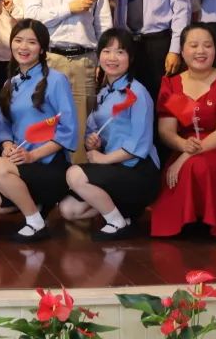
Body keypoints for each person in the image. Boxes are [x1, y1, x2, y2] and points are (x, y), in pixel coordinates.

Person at [19, 0, 111, 163]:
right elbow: (32, 17)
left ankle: (78, 181)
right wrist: (69, 8)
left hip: (84, 61)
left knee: (80, 129)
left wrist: (103, 61)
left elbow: (103, 23)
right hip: (49, 61)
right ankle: (48, 180)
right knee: (45, 123)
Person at [0, 19, 78, 242]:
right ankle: (36, 206)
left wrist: (32, 156)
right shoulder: (10, 84)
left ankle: (34, 222)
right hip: (19, 164)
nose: (23, 47)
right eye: (18, 40)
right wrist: (7, 146)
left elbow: (68, 130)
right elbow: (2, 127)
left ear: (42, 48)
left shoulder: (56, 80)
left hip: (49, 166)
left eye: (31, 42)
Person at [150, 23, 216, 240]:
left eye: (207, 45)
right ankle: (187, 221)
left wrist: (186, 155)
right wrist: (181, 145)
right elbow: (166, 131)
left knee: (197, 166)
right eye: (193, 45)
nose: (201, 51)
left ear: (215, 50)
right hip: (187, 145)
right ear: (182, 50)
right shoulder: (172, 85)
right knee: (190, 167)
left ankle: (208, 222)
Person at [58, 28, 160, 239]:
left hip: (138, 171)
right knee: (68, 210)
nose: (112, 58)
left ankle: (117, 222)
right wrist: (92, 142)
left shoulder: (138, 93)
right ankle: (123, 212)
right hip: (113, 170)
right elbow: (92, 132)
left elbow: (139, 146)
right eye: (106, 51)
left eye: (120, 52)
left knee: (74, 174)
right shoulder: (104, 93)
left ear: (131, 58)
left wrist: (103, 159)